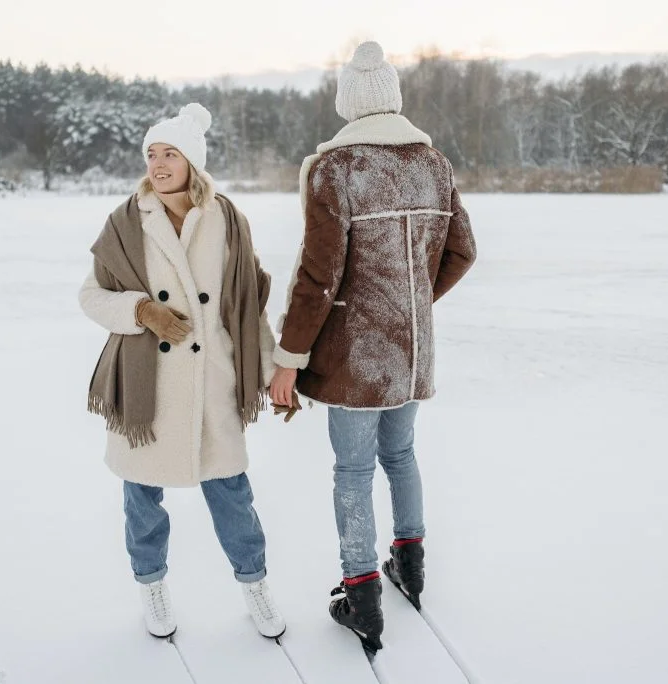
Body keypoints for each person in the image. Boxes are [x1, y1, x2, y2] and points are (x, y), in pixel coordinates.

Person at [268, 42, 477, 651]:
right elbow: (463, 251)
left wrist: (290, 357)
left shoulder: (339, 168)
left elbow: (318, 276)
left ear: (349, 104)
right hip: (410, 354)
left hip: (355, 359)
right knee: (401, 455)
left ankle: (361, 593)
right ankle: (410, 567)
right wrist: (410, 304)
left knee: (353, 471)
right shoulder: (433, 164)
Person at [79, 103, 285, 640]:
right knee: (142, 502)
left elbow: (247, 310)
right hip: (147, 393)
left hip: (214, 381)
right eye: (152, 154)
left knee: (233, 496)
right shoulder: (125, 222)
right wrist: (141, 311)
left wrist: (270, 376)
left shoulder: (228, 220)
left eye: (170, 153)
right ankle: (151, 586)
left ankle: (255, 585)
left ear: (194, 162)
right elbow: (90, 296)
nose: (159, 164)